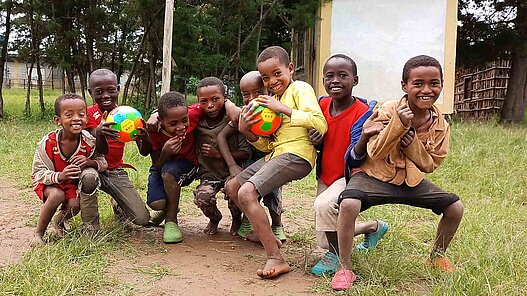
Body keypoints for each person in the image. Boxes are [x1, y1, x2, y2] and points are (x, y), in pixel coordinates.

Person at [331, 55, 464, 290]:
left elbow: (430, 164)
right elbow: (376, 150)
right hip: (374, 176)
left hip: (411, 181)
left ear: (442, 85)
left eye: (434, 83)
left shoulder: (441, 124)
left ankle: (435, 257)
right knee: (349, 203)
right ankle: (344, 267)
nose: (426, 89)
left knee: (455, 207)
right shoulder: (388, 109)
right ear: (404, 85)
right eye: (418, 83)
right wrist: (398, 125)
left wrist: (412, 145)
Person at [225, 45, 328, 279]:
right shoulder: (273, 101)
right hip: (276, 154)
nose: (272, 81)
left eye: (277, 73)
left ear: (290, 69)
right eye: (266, 77)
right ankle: (266, 235)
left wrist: (285, 109)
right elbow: (267, 145)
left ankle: (275, 257)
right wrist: (247, 131)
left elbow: (319, 123)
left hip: (298, 155)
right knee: (233, 187)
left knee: (246, 193)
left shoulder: (299, 89)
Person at [309, 54, 389, 277]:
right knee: (323, 237)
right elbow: (318, 136)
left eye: (343, 75)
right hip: (325, 174)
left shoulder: (363, 113)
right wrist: (314, 139)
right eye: (329, 76)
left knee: (324, 206)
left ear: (355, 80)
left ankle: (335, 256)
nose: (335, 80)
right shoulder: (321, 105)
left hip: (349, 174)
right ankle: (373, 227)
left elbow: (359, 152)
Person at [216, 71, 285, 242]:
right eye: (246, 94)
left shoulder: (276, 113)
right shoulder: (243, 115)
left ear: (268, 92)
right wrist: (232, 165)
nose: (252, 98)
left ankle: (277, 224)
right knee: (247, 192)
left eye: (258, 93)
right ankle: (249, 221)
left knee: (272, 195)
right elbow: (221, 137)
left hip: (272, 161)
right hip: (249, 161)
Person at [32, 93, 107, 243]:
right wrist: (59, 176)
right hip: (50, 183)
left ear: (87, 118)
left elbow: (103, 162)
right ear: (57, 120)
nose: (76, 118)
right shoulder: (48, 143)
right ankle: (38, 233)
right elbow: (38, 172)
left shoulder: (89, 142)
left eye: (81, 114)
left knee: (74, 206)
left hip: (70, 185)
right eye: (69, 115)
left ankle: (59, 221)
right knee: (57, 195)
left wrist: (90, 162)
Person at [85, 68, 150, 228]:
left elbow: (144, 151)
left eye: (111, 90)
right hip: (91, 168)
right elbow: (102, 151)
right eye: (99, 92)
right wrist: (99, 133)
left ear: (118, 89)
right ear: (90, 92)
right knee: (88, 179)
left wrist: (146, 137)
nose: (106, 96)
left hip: (114, 170)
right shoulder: (86, 115)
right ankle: (91, 227)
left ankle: (118, 203)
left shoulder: (129, 115)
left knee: (142, 219)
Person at [139, 91, 201, 243]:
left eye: (184, 120)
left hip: (188, 164)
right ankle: (169, 207)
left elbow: (210, 104)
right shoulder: (154, 131)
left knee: (169, 173)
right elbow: (157, 164)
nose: (180, 127)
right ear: (161, 121)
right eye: (173, 124)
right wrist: (166, 152)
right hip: (161, 164)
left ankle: (171, 220)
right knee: (156, 203)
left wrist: (230, 104)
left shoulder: (192, 114)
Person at [194, 77, 252, 235]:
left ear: (225, 98)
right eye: (203, 101)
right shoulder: (196, 122)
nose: (210, 105)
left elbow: (246, 153)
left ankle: (236, 219)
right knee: (203, 198)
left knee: (235, 193)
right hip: (209, 173)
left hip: (231, 173)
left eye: (215, 99)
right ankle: (214, 219)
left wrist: (218, 154)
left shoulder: (234, 119)